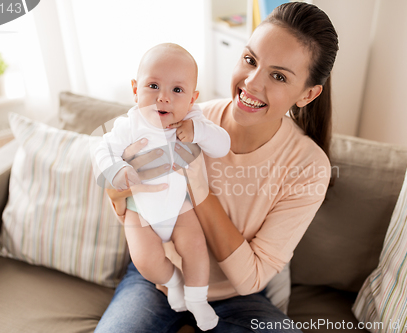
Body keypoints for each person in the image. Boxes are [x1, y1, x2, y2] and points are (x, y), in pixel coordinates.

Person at [95, 2, 339, 332]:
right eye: (250, 60)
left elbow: (250, 278)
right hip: (160, 278)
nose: (251, 83)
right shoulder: (182, 115)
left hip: (236, 296)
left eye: (278, 76)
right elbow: (124, 195)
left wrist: (198, 185)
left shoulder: (308, 166)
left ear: (307, 94)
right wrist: (117, 189)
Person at [94, 43, 230, 331]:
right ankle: (173, 281)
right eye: (153, 86)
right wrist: (117, 168)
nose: (163, 98)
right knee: (144, 259)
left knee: (195, 247)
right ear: (135, 89)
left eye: (177, 91)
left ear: (193, 98)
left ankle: (197, 299)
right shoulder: (129, 124)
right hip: (138, 207)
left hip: (179, 204)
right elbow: (100, 149)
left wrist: (200, 132)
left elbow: (222, 146)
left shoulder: (194, 119)